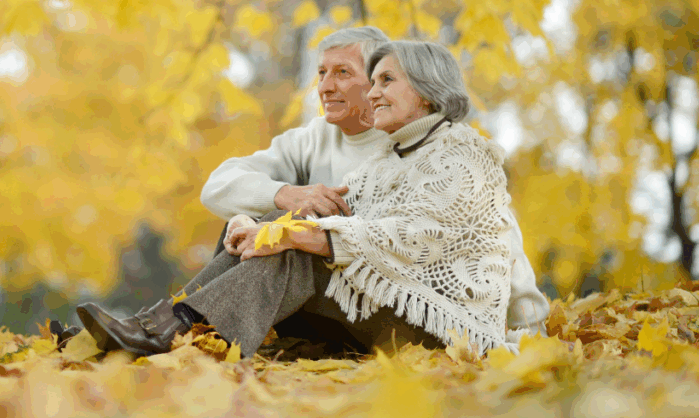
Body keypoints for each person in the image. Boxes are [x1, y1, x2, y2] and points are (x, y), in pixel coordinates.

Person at [78, 41, 525, 358]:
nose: (372, 94)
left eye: (386, 80)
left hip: (446, 332)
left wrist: (290, 237)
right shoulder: (393, 158)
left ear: (427, 93)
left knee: (297, 243)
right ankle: (159, 328)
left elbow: (410, 238)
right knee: (287, 218)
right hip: (388, 310)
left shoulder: (463, 156)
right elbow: (344, 219)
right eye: (372, 82)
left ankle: (171, 333)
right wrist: (261, 226)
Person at [202, 28, 548, 335]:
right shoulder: (331, 142)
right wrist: (283, 196)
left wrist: (530, 322)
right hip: (348, 297)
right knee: (259, 226)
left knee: (285, 237)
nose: (325, 86)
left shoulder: (433, 145)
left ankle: (187, 328)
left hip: (413, 310)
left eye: (342, 73)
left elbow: (496, 236)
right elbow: (218, 186)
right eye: (321, 73)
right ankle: (185, 327)